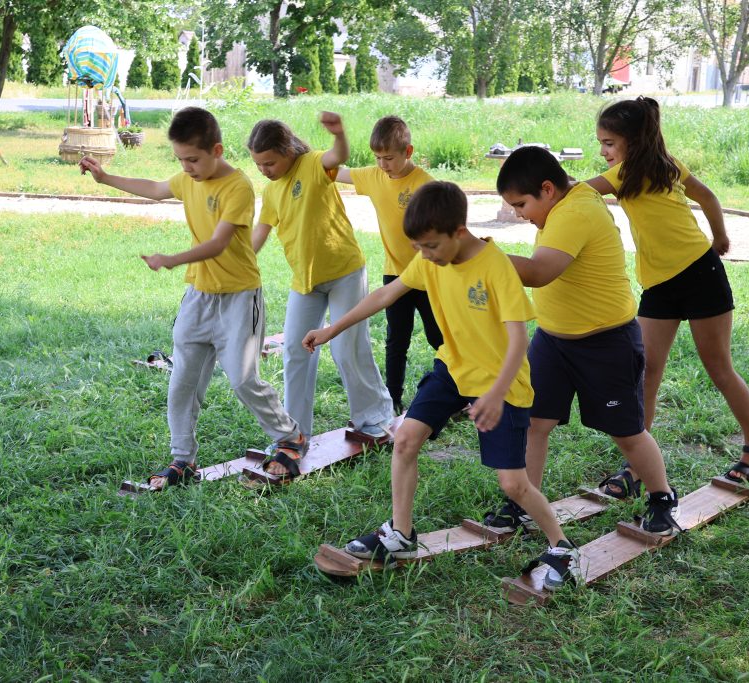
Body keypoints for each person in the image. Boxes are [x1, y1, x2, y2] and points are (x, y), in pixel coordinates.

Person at [304, 181, 581, 590]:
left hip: (501, 384)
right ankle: (401, 534)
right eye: (419, 248)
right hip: (452, 369)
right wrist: (331, 329)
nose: (424, 256)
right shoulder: (430, 259)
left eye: (431, 246)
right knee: (405, 440)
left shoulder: (495, 266)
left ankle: (562, 548)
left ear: (458, 231)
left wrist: (494, 393)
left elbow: (519, 339)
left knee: (513, 483)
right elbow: (385, 295)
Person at [80, 106, 305, 487]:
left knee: (242, 378)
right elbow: (154, 189)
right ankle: (183, 459)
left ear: (216, 150)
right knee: (182, 379)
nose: (186, 167)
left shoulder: (238, 187)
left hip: (238, 297)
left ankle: (289, 436)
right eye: (180, 159)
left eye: (193, 159)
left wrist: (172, 259)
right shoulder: (188, 178)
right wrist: (106, 178)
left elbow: (218, 243)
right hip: (199, 296)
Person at [585, 97, 749, 490]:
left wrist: (720, 237)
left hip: (700, 274)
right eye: (601, 143)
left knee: (719, 368)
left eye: (608, 143)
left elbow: (707, 198)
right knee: (646, 372)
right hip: (659, 287)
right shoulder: (646, 169)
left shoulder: (642, 170)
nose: (602, 151)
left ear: (632, 141)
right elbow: (707, 198)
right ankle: (638, 465)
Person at [496, 146, 681, 536]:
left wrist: (482, 256)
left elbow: (539, 271)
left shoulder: (576, 211)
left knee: (626, 432)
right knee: (535, 422)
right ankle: (523, 502)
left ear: (547, 189)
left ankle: (661, 498)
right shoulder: (561, 203)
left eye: (521, 204)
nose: (518, 214)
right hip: (552, 340)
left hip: (605, 343)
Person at [248, 113, 396, 477]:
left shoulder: (313, 164)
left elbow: (338, 155)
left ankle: (374, 417)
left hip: (345, 271)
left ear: (287, 151)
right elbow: (260, 234)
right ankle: (293, 432)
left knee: (348, 346)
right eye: (258, 165)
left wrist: (340, 133)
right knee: (296, 351)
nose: (265, 170)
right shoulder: (270, 191)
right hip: (305, 282)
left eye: (270, 162)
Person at [335, 116, 442, 413]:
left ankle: (461, 387)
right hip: (395, 273)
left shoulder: (425, 184)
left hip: (430, 274)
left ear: (408, 152)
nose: (383, 164)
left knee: (438, 336)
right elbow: (332, 171)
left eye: (390, 158)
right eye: (378, 158)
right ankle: (393, 400)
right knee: (397, 339)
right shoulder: (373, 176)